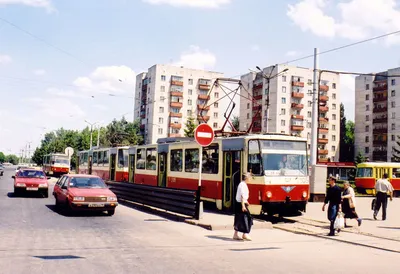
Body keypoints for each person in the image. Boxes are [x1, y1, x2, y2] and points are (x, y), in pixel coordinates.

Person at [233, 173, 253, 241]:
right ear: (246, 178)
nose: (250, 179)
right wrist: (243, 206)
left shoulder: (242, 184)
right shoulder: (243, 185)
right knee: (248, 218)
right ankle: (245, 234)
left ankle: (235, 234)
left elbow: (243, 196)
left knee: (239, 219)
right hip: (241, 204)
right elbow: (242, 196)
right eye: (250, 177)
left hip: (240, 203)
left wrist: (246, 201)